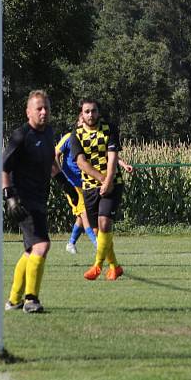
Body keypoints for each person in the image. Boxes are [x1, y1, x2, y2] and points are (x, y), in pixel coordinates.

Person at [3, 90, 78, 314]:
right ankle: (30, 299)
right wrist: (9, 197)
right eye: (39, 108)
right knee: (42, 245)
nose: (44, 112)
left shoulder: (49, 134)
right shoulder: (21, 135)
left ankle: (14, 299)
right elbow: (3, 167)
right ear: (29, 112)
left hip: (39, 198)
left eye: (46, 107)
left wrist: (66, 185)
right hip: (23, 200)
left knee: (30, 250)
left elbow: (51, 164)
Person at [71, 98, 125, 281]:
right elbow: (81, 162)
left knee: (104, 224)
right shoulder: (76, 133)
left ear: (98, 112)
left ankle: (97, 266)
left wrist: (108, 180)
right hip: (89, 187)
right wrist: (101, 179)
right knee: (97, 231)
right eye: (87, 111)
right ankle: (115, 267)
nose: (90, 115)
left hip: (112, 184)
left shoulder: (109, 128)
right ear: (82, 114)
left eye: (93, 111)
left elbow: (112, 157)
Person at [56, 114, 97, 255]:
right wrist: (60, 174)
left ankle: (71, 243)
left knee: (81, 216)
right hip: (71, 184)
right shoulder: (69, 137)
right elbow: (55, 153)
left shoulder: (88, 138)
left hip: (86, 183)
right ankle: (98, 246)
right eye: (81, 120)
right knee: (85, 214)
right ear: (77, 122)